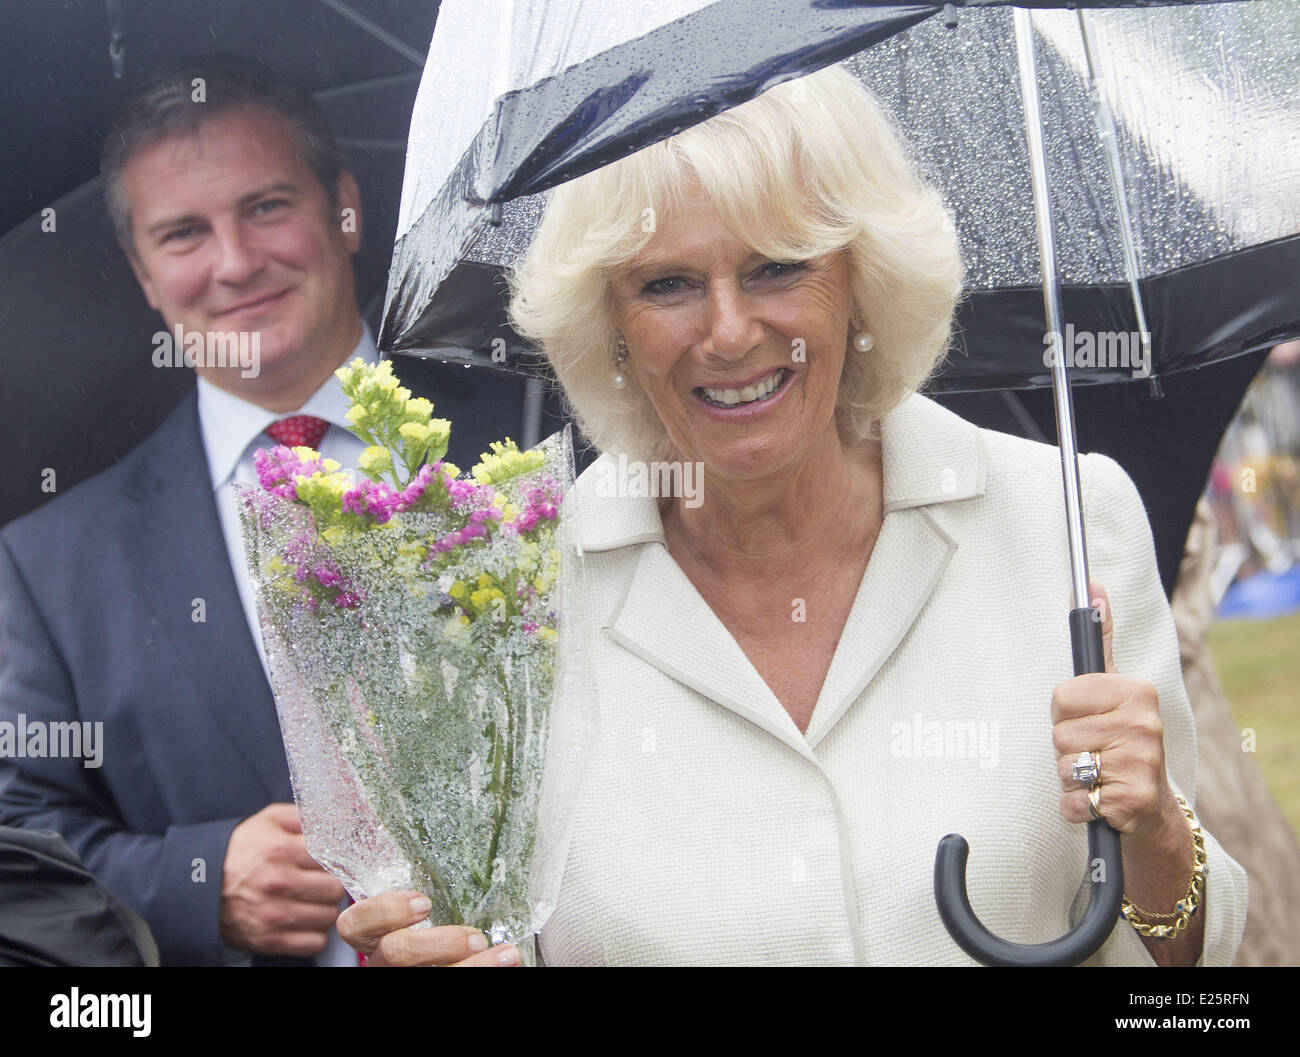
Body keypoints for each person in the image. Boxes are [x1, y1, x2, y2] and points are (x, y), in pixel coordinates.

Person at [338, 66, 1248, 966]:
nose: (729, 332)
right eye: (667, 284)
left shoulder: (1069, 521)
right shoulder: (510, 613)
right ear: (608, 320)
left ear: (863, 280)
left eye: (778, 266)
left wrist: (1161, 836)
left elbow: (1186, 988)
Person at [0, 56, 536, 966]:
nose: (236, 262)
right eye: (182, 233)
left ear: (344, 207)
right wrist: (195, 880)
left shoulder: (527, 427)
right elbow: (19, 847)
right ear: (141, 270)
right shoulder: (48, 567)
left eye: (266, 207)